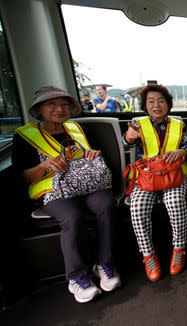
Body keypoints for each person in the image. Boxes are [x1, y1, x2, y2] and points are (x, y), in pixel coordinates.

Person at [12, 86, 121, 303]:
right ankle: (77, 276)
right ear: (39, 109)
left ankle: (104, 263)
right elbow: (23, 177)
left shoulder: (75, 129)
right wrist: (44, 166)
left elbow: (90, 155)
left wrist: (92, 153)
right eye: (52, 104)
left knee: (106, 205)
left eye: (64, 104)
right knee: (72, 217)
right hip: (52, 191)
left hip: (86, 185)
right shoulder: (25, 136)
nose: (59, 109)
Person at [123, 84, 187, 282]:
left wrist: (181, 152)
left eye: (161, 100)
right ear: (145, 105)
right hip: (146, 177)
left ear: (168, 104)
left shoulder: (179, 125)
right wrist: (129, 136)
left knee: (175, 202)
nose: (156, 105)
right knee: (137, 206)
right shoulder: (137, 123)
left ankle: (179, 249)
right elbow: (126, 142)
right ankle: (148, 254)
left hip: (173, 176)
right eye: (151, 101)